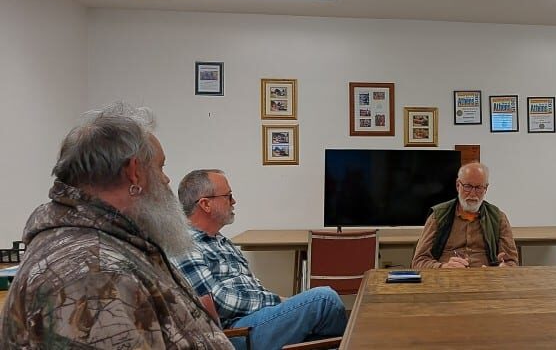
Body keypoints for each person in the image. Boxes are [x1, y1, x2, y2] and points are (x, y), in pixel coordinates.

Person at [0, 103, 231, 348]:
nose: (166, 179)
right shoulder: (89, 275)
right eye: (160, 167)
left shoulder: (115, 244)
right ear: (134, 173)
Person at [175, 169, 347, 350]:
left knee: (322, 327)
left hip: (257, 321)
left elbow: (252, 287)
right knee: (325, 300)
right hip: (237, 333)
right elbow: (220, 300)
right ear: (205, 204)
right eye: (228, 196)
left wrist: (282, 304)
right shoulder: (185, 246)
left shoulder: (221, 241)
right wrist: (279, 301)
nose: (233, 201)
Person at [412, 162, 519, 268]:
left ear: (486, 188)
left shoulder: (498, 218)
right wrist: (443, 267)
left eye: (478, 188)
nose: (472, 194)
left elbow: (511, 262)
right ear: (458, 185)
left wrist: (503, 268)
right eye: (467, 186)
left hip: (486, 280)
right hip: (447, 280)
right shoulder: (438, 216)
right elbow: (419, 262)